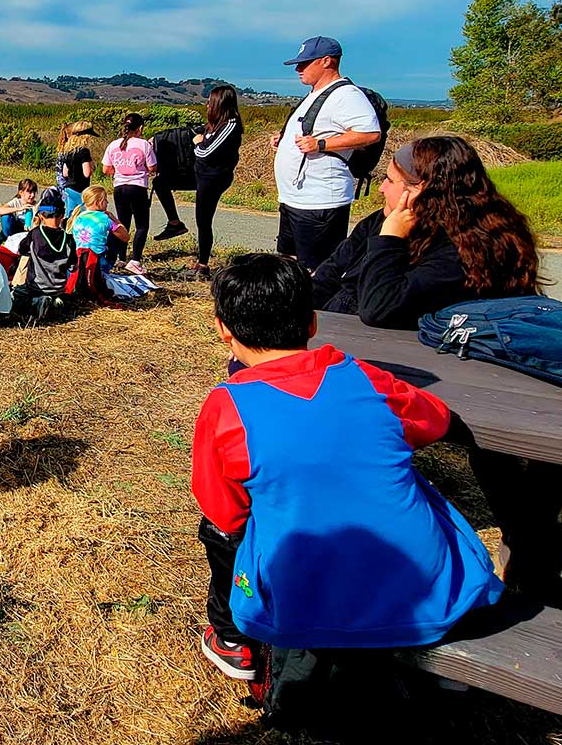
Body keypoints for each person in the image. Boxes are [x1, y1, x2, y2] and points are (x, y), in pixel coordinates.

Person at [192, 253, 501, 721]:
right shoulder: (367, 378)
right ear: (314, 322)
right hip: (433, 593)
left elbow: (225, 511)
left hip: (303, 608)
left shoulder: (227, 404)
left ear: (222, 330)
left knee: (220, 531)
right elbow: (435, 421)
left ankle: (231, 637)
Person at [313, 137, 542, 329]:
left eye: (390, 180)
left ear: (419, 190)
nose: (381, 188)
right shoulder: (380, 220)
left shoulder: (465, 248)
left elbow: (380, 309)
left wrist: (389, 241)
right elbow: (327, 277)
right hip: (340, 331)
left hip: (412, 358)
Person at [273, 38, 382, 270]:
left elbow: (371, 134)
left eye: (304, 63)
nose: (298, 69)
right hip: (296, 199)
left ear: (326, 61)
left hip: (319, 201)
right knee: (289, 264)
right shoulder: (317, 93)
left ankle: (316, 306)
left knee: (317, 270)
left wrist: (321, 145)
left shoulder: (346, 95)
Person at [185, 85, 244, 279]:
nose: (207, 104)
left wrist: (197, 143)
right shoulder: (217, 123)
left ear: (220, 103)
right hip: (203, 175)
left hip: (213, 177)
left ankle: (203, 263)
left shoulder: (230, 124)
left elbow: (206, 152)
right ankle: (200, 258)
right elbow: (202, 135)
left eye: (210, 101)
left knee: (203, 218)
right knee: (201, 218)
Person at [102, 113, 157, 275]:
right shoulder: (144, 144)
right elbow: (153, 167)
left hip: (119, 188)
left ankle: (120, 257)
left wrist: (119, 170)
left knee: (122, 222)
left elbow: (106, 169)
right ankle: (135, 260)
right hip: (137, 187)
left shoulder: (113, 145)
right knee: (141, 224)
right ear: (140, 128)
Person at [11, 188, 76, 322]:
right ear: (62, 215)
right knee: (55, 294)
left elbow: (22, 249)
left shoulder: (36, 234)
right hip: (58, 288)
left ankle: (37, 301)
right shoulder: (69, 239)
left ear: (40, 216)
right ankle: (55, 300)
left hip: (36, 286)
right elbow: (72, 267)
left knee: (16, 294)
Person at [67, 185, 128, 304]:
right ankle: (107, 268)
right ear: (96, 203)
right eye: (105, 199)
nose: (107, 202)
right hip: (98, 261)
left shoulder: (77, 217)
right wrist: (115, 219)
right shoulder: (104, 218)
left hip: (80, 260)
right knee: (114, 236)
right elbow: (125, 237)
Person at [55, 120, 97, 217]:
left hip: (69, 188)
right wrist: (92, 167)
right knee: (83, 214)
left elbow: (65, 172)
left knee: (70, 214)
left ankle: (68, 230)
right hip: (81, 189)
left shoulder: (69, 151)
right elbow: (87, 173)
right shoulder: (84, 152)